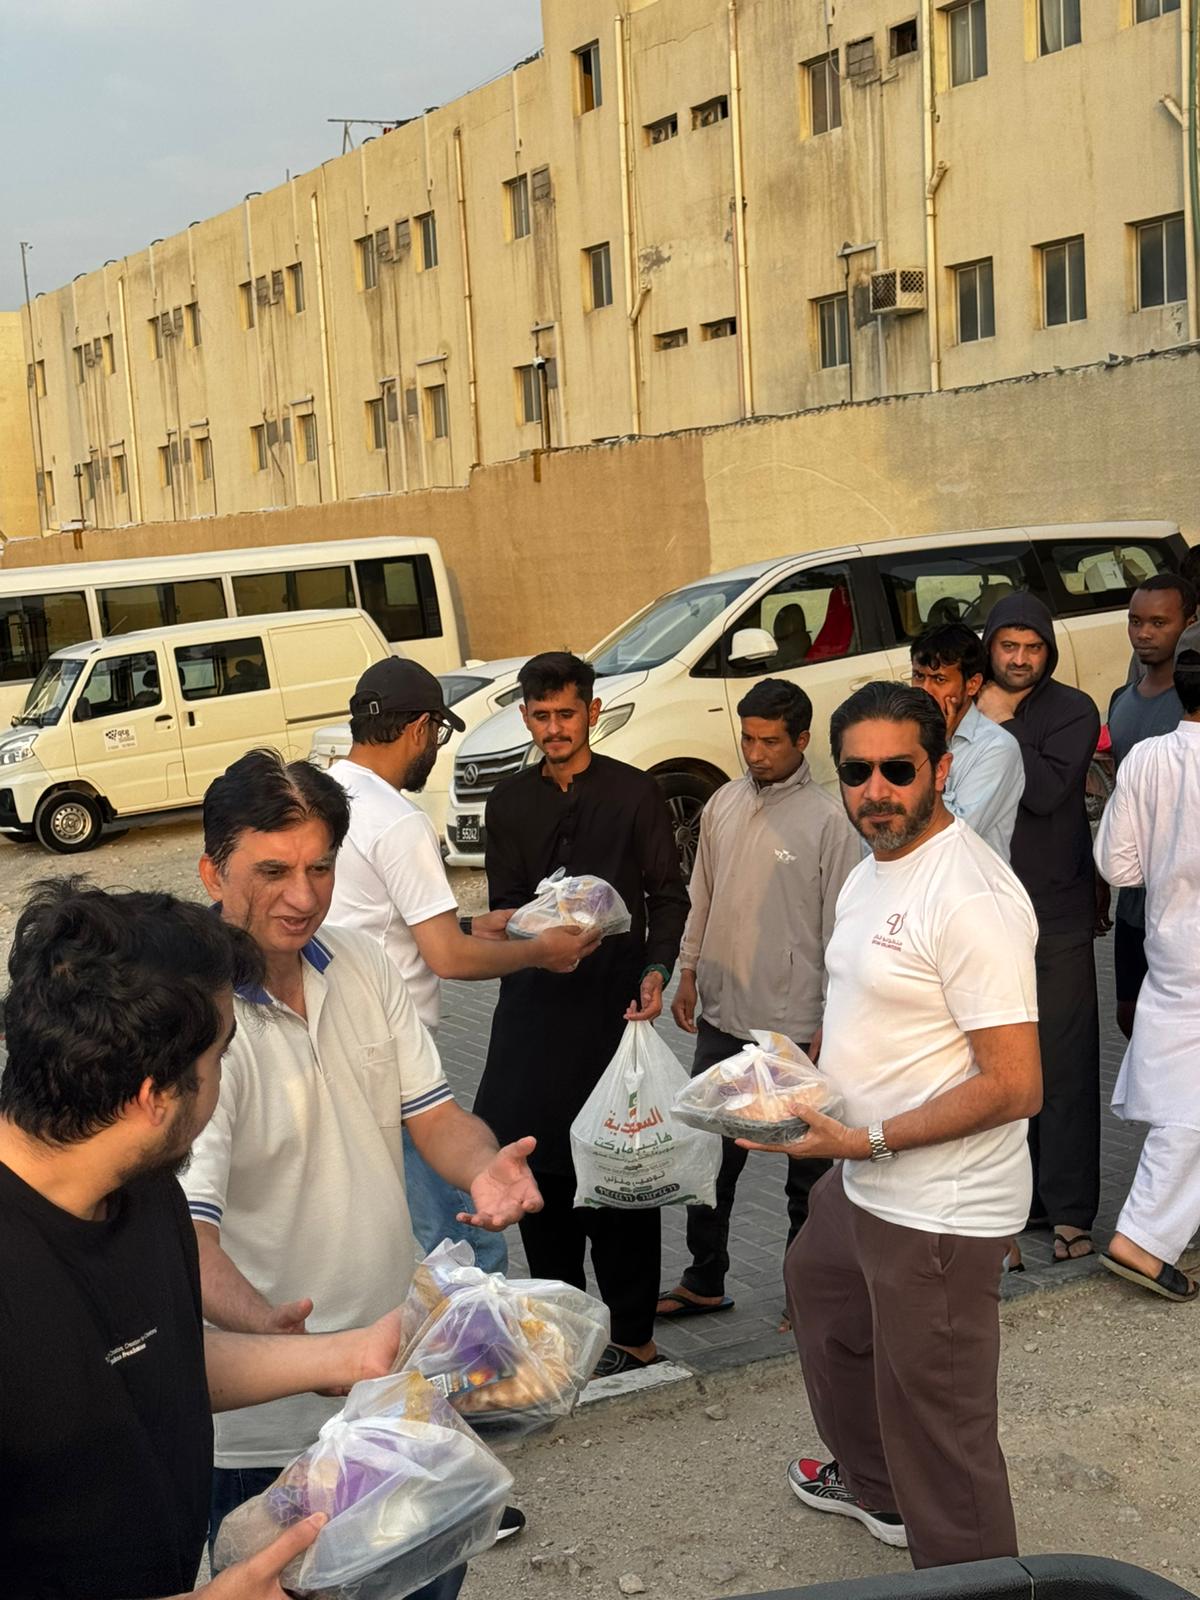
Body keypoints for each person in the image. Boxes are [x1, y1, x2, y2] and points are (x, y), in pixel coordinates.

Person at [0, 877, 415, 1600]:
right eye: (220, 1056)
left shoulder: (146, 1188)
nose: (224, 1075)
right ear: (154, 1098)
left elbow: (146, 1357)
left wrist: (345, 1353)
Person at [184, 750, 543, 1555]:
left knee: (426, 1578)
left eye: (320, 867)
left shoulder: (362, 960)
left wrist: (484, 1163)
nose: (303, 896)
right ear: (212, 872)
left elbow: (436, 1116)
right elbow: (189, 1238)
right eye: (272, 870)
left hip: (395, 1383)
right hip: (266, 1431)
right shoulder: (182, 1022)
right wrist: (285, 1342)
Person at [741, 681, 1040, 1570]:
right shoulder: (874, 865)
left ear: (941, 769)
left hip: (938, 1210)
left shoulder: (972, 898)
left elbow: (1016, 1084)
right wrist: (796, 1083)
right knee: (820, 1292)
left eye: (898, 769)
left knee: (942, 1432)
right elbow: (860, 1003)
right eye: (857, 771)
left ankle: (973, 1580)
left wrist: (863, 1140)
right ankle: (879, 1491)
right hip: (863, 1173)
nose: (877, 789)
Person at [326, 657, 599, 1274]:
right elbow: (446, 958)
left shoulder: (326, 795)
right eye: (439, 734)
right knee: (466, 1237)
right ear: (420, 728)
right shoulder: (397, 819)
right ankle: (488, 1360)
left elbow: (378, 918)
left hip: (336, 1039)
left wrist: (480, 923)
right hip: (392, 1053)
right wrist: (540, 951)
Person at [473, 651, 690, 1378]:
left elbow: (669, 894)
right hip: (533, 1016)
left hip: (613, 1015)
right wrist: (534, 930)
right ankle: (562, 1337)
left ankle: (633, 1338)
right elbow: (501, 910)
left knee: (621, 1174)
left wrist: (658, 971)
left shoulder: (634, 795)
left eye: (567, 714)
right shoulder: (507, 804)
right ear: (526, 716)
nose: (555, 728)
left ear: (592, 712)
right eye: (540, 716)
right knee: (546, 1175)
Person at [657, 678, 858, 1322]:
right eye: (747, 737)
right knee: (707, 1162)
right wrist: (687, 972)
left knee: (806, 1174)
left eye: (770, 740)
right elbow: (702, 897)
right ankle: (703, 1278)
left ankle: (806, 1291)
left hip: (794, 1027)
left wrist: (832, 1016)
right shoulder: (720, 804)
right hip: (721, 1015)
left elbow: (841, 930)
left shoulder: (830, 820)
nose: (755, 751)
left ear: (802, 741)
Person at [976, 593, 1100, 1264]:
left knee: (1067, 1061)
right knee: (1000, 1063)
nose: (1021, 660)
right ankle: (1020, 1203)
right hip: (985, 915)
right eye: (1009, 647)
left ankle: (1072, 1213)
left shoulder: (1072, 711)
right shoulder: (968, 709)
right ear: (990, 646)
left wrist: (1002, 725)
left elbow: (1048, 791)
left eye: (1033, 649)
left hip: (1054, 913)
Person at [1096, 625, 1200, 1303]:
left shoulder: (1148, 759)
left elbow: (1118, 864)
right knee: (1189, 1110)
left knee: (1187, 1094)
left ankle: (1157, 1232)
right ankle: (1143, 1236)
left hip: (1171, 944)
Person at [1103, 574, 1197, 1038]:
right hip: (1133, 903)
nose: (1144, 633)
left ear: (1190, 621)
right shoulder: (1120, 701)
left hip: (1182, 902)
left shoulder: (1192, 707)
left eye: (1159, 622)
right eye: (1135, 621)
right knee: (1130, 1016)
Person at [909, 621, 1025, 860]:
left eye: (939, 680)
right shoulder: (905, 736)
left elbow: (952, 836)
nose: (924, 690)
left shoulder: (997, 748)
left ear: (972, 684)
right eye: (919, 677)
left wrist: (935, 749)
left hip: (969, 888)